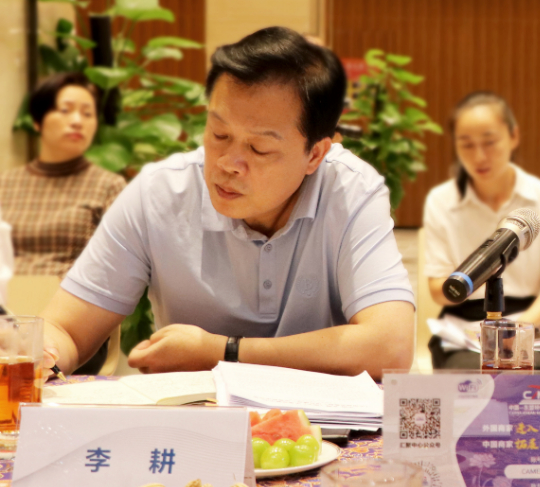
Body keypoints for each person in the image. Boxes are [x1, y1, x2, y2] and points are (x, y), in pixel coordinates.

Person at [38, 26, 416, 379]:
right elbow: (65, 329)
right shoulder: (159, 193)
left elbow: (390, 347)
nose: (228, 163)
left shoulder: (350, 190)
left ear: (315, 155)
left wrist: (221, 352)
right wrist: (44, 356)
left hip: (319, 424)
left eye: (259, 148)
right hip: (192, 420)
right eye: (219, 134)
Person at [422, 91, 540, 369]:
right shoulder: (441, 201)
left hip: (531, 321)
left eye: (489, 142)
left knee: (532, 381)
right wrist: (472, 276)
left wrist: (515, 330)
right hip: (465, 323)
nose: (479, 156)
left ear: (513, 136)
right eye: (466, 145)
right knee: (467, 381)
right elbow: (437, 289)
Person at [0, 73, 126, 282]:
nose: (77, 121)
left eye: (87, 114)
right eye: (65, 110)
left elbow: (120, 264)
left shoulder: (109, 186)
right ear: (37, 121)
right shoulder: (5, 184)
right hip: (6, 298)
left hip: (71, 298)